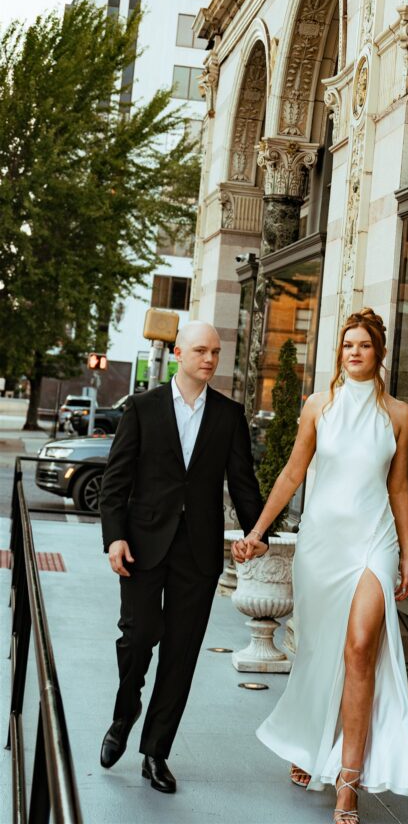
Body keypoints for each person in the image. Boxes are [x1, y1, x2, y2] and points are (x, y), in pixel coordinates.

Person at [235, 308, 408, 823]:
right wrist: (258, 532)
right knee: (318, 652)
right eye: (347, 344)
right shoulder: (319, 405)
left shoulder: (399, 414)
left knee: (360, 647)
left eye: (363, 345)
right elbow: (293, 473)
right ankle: (308, 738)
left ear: (379, 354)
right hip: (321, 546)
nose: (354, 351)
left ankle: (348, 782)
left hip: (372, 543)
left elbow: (399, 486)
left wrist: (405, 552)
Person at [98, 321, 266, 793]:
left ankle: (156, 751)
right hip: (142, 545)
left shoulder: (229, 415)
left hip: (198, 554)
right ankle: (125, 711)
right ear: (178, 353)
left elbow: (243, 484)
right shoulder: (142, 407)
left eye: (215, 351)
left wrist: (257, 532)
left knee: (180, 654)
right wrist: (114, 538)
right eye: (200, 351)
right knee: (138, 638)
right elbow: (116, 481)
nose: (209, 359)